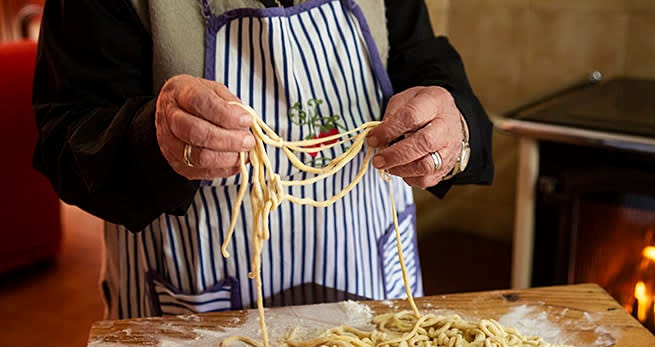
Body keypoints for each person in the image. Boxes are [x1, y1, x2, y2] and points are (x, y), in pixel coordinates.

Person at [33, 0, 493, 320]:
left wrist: (456, 128)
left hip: (370, 301)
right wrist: (150, 137)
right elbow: (67, 136)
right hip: (195, 317)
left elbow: (424, 61)